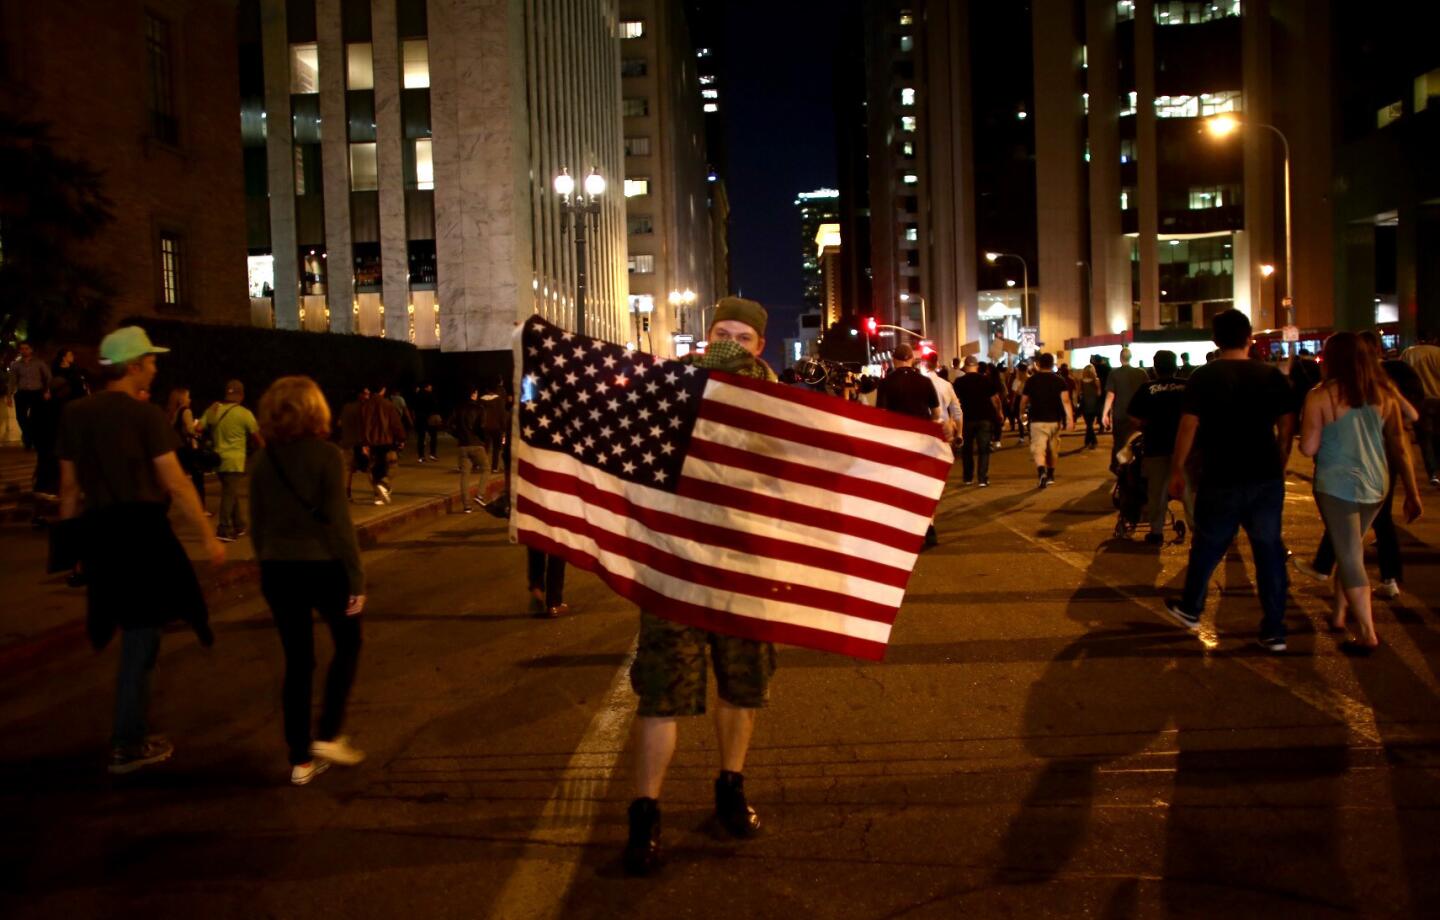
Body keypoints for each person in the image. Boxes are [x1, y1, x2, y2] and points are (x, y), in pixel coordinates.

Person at [624, 296, 780, 877]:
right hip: (677, 568)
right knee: (661, 693)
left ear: (760, 345)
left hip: (746, 569)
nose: (730, 343)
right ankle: (646, 812)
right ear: (705, 335)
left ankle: (730, 789)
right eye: (721, 332)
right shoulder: (672, 390)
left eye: (742, 336)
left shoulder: (781, 402)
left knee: (742, 688)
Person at [57, 327, 224, 774]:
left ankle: (128, 735)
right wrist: (206, 535)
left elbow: (70, 487)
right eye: (149, 360)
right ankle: (127, 742)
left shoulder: (76, 414)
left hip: (99, 530)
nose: (155, 366)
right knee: (142, 635)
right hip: (143, 533)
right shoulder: (144, 415)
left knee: (131, 629)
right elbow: (174, 480)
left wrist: (72, 546)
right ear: (133, 366)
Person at [250, 376, 367, 785]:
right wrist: (355, 576)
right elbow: (338, 522)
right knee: (348, 643)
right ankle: (328, 733)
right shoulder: (327, 455)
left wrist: (266, 563)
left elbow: (257, 525)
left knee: (298, 661)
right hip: (323, 566)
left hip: (278, 569)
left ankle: (299, 758)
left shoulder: (264, 460)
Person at [1161, 309, 1298, 652]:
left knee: (1208, 545)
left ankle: (1192, 607)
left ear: (1215, 339)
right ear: (1249, 337)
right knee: (1268, 550)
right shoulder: (1271, 376)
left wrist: (1177, 469)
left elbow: (1188, 426)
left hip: (1220, 472)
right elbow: (1286, 421)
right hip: (1265, 473)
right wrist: (1281, 455)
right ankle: (1274, 630)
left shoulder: (1203, 376)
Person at [1297, 333, 1422, 654]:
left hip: (1337, 486)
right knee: (1348, 547)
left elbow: (1309, 447)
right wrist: (1412, 491)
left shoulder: (1320, 396)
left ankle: (1367, 634)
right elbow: (1402, 441)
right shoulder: (1383, 395)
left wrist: (1313, 435)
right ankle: (1338, 614)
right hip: (1376, 484)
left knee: (1351, 555)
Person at [879, 343, 947, 546]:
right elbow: (936, 413)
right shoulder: (925, 382)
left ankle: (906, 527)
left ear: (894, 360)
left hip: (897, 441)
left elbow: (881, 415)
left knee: (901, 484)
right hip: (922, 439)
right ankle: (929, 526)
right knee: (925, 484)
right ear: (911, 359)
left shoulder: (886, 383)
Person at [1125, 350, 1189, 544]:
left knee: (1157, 492)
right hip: (1183, 447)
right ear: (1175, 365)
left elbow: (1133, 416)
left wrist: (1145, 426)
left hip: (1155, 445)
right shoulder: (1187, 387)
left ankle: (1156, 531)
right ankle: (1198, 531)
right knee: (1189, 492)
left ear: (1154, 367)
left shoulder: (1147, 388)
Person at [202, 380, 263, 542]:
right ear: (241, 395)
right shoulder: (244, 413)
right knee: (229, 494)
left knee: (231, 491)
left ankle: (239, 524)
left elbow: (197, 428)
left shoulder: (213, 410)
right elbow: (257, 438)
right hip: (235, 461)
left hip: (217, 460)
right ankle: (223, 529)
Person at [1019, 352, 1073, 489]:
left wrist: (1021, 414)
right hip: (1055, 421)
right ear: (1052, 364)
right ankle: (1050, 475)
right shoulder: (1060, 380)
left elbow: (1024, 401)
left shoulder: (1031, 381)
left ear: (1038, 364)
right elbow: (1066, 401)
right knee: (1053, 449)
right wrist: (1070, 419)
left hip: (1037, 420)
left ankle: (1041, 471)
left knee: (1039, 449)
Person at [954, 356, 1003, 487]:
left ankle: (968, 478)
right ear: (976, 366)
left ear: (965, 367)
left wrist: (954, 418)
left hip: (967, 419)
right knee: (983, 449)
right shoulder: (986, 380)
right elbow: (995, 399)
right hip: (985, 418)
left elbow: (955, 402)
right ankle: (982, 478)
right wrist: (999, 412)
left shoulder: (959, 382)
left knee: (967, 450)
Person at [1401, 331, 1440, 486]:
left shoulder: (1408, 353)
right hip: (1438, 399)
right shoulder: (1438, 353)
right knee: (1438, 437)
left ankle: (1433, 473)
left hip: (1419, 402)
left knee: (1425, 440)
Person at [1102, 347, 1149, 470]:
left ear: (1120, 358)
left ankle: (1119, 466)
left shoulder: (1114, 374)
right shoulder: (1141, 373)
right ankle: (1135, 466)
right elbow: (1147, 393)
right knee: (1137, 440)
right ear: (1131, 357)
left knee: (1119, 442)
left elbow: (1110, 395)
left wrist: (1105, 414)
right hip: (1138, 414)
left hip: (1120, 414)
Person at [361, 384, 406, 504]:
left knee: (375, 469)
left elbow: (362, 426)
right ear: (383, 390)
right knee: (392, 466)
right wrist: (401, 439)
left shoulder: (365, 406)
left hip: (371, 443)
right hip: (387, 442)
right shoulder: (387, 405)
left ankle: (378, 496)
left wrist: (364, 443)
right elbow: (396, 424)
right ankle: (383, 485)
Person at [450, 386, 490, 513]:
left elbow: (449, 425)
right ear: (473, 394)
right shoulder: (479, 409)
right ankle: (479, 494)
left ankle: (466, 505)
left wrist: (458, 435)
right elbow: (482, 426)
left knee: (465, 475)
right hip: (476, 444)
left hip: (463, 445)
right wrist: (483, 440)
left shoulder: (458, 409)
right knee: (486, 468)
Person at [165, 387, 207, 510]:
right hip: (187, 449)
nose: (190, 399)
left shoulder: (173, 413)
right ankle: (200, 507)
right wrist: (196, 428)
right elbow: (190, 430)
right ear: (182, 399)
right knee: (197, 478)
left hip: (177, 448)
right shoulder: (186, 411)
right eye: (188, 396)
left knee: (179, 479)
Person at [7, 341, 52, 450]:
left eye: (26, 348)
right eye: (22, 348)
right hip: (22, 393)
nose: (24, 350)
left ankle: (30, 440)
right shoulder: (16, 365)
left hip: (37, 393)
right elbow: (12, 380)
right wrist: (9, 395)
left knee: (36, 418)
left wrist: (47, 391)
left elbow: (48, 377)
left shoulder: (39, 363)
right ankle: (29, 437)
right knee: (20, 417)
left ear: (31, 350)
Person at [337, 387, 370, 500]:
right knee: (369, 466)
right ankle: (378, 492)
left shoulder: (346, 407)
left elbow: (340, 423)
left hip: (346, 441)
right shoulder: (362, 408)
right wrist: (366, 443)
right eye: (365, 394)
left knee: (348, 469)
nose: (367, 396)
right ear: (360, 395)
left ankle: (346, 493)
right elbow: (364, 425)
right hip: (359, 442)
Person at [411, 382, 439, 463]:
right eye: (430, 387)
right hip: (429, 418)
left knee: (421, 438)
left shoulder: (417, 395)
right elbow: (434, 406)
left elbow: (413, 407)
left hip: (419, 418)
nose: (431, 388)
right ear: (426, 387)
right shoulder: (430, 395)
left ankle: (421, 456)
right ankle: (432, 454)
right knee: (433, 436)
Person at [1078, 364, 1103, 449]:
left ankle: (1089, 441)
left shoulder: (1081, 381)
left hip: (1085, 405)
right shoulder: (1096, 381)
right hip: (1094, 405)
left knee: (1088, 424)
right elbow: (1099, 393)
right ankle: (1092, 442)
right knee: (1090, 424)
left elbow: (1080, 393)